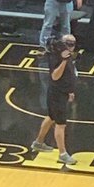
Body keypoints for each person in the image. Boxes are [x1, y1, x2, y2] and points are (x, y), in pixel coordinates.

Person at [31, 31, 78, 166]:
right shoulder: (57, 57)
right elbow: (55, 76)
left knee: (51, 117)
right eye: (68, 44)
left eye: (73, 44)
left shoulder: (66, 55)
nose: (71, 46)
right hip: (57, 94)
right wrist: (64, 61)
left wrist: (70, 91)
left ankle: (38, 143)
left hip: (63, 92)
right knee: (60, 124)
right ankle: (63, 154)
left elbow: (69, 75)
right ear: (63, 44)